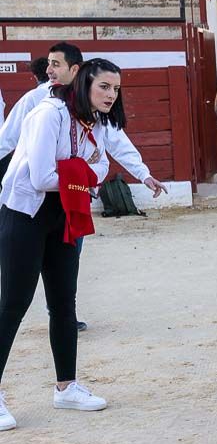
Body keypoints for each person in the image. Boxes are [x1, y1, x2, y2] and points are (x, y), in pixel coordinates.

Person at [0, 59, 132, 431]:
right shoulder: (49, 114)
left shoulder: (97, 121)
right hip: (25, 213)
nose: (111, 95)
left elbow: (103, 167)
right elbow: (41, 177)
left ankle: (66, 386)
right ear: (86, 83)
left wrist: (81, 172)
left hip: (64, 213)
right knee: (12, 304)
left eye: (116, 89)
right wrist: (79, 172)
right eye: (104, 86)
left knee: (63, 304)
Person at [0, 43, 166, 333]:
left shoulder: (96, 109)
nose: (48, 70)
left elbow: (112, 149)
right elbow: (9, 138)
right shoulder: (38, 101)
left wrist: (143, 173)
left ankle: (62, 313)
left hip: (70, 204)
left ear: (76, 71)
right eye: (49, 64)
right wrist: (79, 172)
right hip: (31, 204)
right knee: (16, 297)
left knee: (65, 275)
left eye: (56, 64)